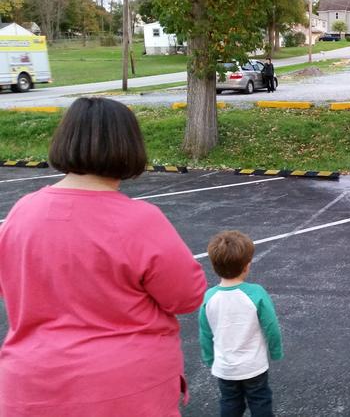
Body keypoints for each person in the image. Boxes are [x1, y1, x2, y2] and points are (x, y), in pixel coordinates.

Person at [0, 97, 207, 416]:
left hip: (31, 387)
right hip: (125, 390)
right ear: (129, 147)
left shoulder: (22, 212)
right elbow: (187, 296)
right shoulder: (139, 220)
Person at [199, 230, 284, 417]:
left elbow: (205, 332)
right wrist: (276, 350)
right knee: (260, 399)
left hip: (225, 367)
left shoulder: (209, 297)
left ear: (214, 266)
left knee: (230, 402)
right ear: (246, 266)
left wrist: (209, 358)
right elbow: (271, 327)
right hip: (253, 365)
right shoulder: (256, 293)